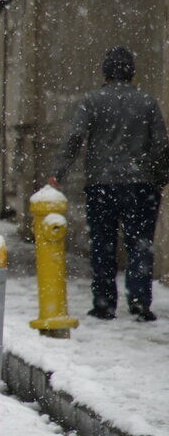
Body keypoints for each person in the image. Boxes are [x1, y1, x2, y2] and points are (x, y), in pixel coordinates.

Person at [50, 46, 169, 322]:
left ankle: (104, 303)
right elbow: (161, 145)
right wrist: (159, 177)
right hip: (140, 184)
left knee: (102, 244)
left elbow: (75, 137)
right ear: (131, 72)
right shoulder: (147, 103)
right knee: (139, 243)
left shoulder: (92, 101)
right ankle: (140, 301)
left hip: (100, 184)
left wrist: (58, 172)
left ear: (106, 72)